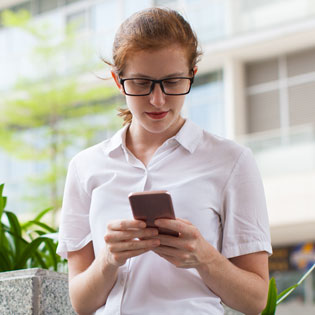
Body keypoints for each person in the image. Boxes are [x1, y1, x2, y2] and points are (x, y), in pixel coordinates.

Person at [57, 7, 272, 315]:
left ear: (192, 75)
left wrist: (204, 257)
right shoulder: (84, 167)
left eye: (172, 82)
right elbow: (81, 302)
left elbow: (255, 301)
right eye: (142, 83)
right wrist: (109, 259)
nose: (158, 100)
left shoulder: (232, 161)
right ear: (119, 81)